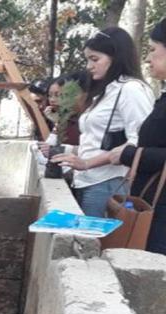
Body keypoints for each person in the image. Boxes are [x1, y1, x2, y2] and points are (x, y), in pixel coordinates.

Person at [52, 27, 154, 217]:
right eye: (87, 60)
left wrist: (87, 163)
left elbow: (139, 142)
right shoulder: (106, 91)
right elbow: (96, 140)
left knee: (93, 242)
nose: (89, 66)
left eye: (95, 59)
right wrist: (70, 154)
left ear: (116, 57)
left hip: (109, 182)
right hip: (86, 180)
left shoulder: (131, 89)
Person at [107, 18, 166, 254]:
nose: (148, 58)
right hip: (152, 202)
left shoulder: (132, 90)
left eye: (153, 50)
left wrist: (130, 154)